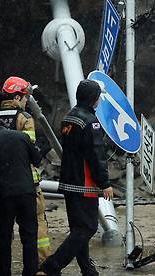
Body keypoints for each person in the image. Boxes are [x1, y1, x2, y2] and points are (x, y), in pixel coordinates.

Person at [40, 79, 113, 276]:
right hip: (85, 184)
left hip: (68, 182)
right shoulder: (91, 122)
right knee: (87, 228)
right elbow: (96, 155)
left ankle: (88, 270)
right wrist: (104, 183)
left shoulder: (68, 118)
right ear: (93, 98)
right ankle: (52, 266)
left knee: (78, 229)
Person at [0, 76, 51, 264]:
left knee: (1, 229)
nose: (27, 101)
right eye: (26, 97)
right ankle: (40, 264)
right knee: (36, 225)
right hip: (27, 185)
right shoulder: (25, 119)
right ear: (17, 97)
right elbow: (30, 149)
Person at [0, 119, 41, 276]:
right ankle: (30, 271)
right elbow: (37, 159)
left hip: (2, 196)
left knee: (3, 237)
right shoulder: (22, 137)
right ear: (6, 127)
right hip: (26, 193)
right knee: (30, 236)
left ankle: (3, 272)